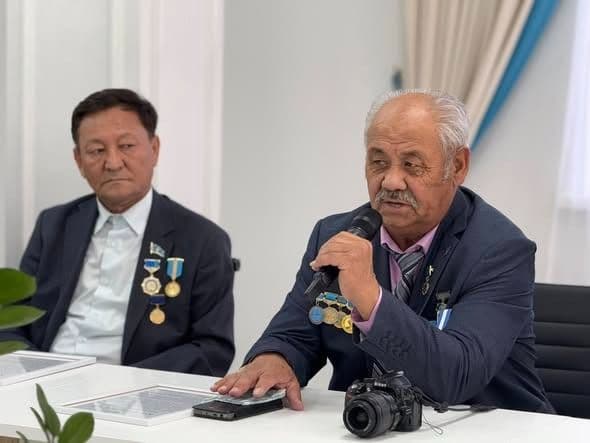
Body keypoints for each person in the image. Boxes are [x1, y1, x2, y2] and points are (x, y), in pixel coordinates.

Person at [213, 89, 554, 413]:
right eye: (378, 162)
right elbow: (297, 330)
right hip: (370, 424)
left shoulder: (499, 251)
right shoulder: (337, 236)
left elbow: (456, 375)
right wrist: (276, 358)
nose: (390, 181)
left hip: (488, 428)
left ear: (458, 166)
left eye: (412, 165)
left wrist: (371, 299)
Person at [0, 88, 235, 376]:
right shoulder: (54, 224)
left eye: (126, 146)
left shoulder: (202, 239)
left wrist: (127, 385)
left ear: (154, 149)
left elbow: (212, 348)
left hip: (134, 388)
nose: (112, 163)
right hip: (44, 382)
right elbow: (11, 319)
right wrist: (32, 374)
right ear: (79, 160)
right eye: (97, 151)